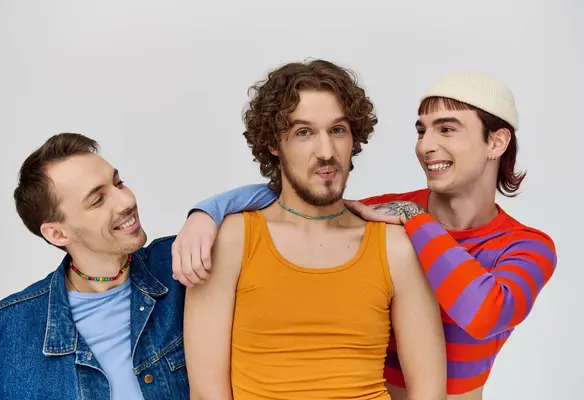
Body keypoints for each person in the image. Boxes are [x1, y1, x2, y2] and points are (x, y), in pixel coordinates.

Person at [172, 70, 558, 399]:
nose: (427, 145)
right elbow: (307, 198)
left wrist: (415, 219)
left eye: (447, 129)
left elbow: (485, 311)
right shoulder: (383, 213)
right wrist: (207, 213)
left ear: (496, 142)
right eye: (421, 130)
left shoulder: (522, 246)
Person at [182, 59, 447, 400]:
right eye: (303, 132)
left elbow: (429, 391)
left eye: (338, 130)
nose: (326, 152)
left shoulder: (395, 247)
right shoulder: (232, 240)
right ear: (275, 145)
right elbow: (207, 393)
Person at [0, 133, 190, 399]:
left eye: (119, 183)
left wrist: (207, 214)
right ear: (57, 234)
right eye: (97, 200)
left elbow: (259, 203)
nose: (126, 201)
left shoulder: (181, 266)